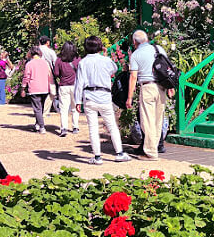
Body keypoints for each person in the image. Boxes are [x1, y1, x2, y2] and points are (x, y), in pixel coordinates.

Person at [74, 35, 131, 165]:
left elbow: (79, 83)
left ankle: (97, 156)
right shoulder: (105, 61)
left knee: (93, 128)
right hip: (104, 96)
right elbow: (114, 68)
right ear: (100, 47)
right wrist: (105, 55)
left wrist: (77, 101)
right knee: (112, 126)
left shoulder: (83, 62)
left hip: (89, 96)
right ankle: (119, 153)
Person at [126, 30, 173, 161]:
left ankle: (150, 153)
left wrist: (129, 97)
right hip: (161, 87)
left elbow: (133, 76)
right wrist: (170, 87)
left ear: (134, 42)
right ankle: (154, 148)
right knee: (158, 120)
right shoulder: (158, 49)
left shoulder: (136, 55)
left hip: (147, 87)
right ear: (146, 39)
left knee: (147, 121)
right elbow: (168, 69)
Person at [22, 46, 53, 133]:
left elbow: (26, 77)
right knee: (40, 107)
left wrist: (23, 88)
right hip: (45, 88)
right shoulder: (45, 63)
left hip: (34, 88)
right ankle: (38, 124)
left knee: (37, 109)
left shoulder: (29, 64)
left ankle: (42, 126)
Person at [54, 42, 80, 137]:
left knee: (63, 109)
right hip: (75, 86)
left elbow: (56, 73)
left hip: (63, 86)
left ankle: (63, 128)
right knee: (75, 107)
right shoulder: (77, 59)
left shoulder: (59, 60)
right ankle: (75, 127)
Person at [39, 36, 60, 116]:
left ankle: (39, 110)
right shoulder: (50, 51)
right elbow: (55, 62)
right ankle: (45, 111)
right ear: (47, 42)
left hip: (37, 71)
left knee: (39, 91)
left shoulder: (36, 50)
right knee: (52, 91)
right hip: (48, 71)